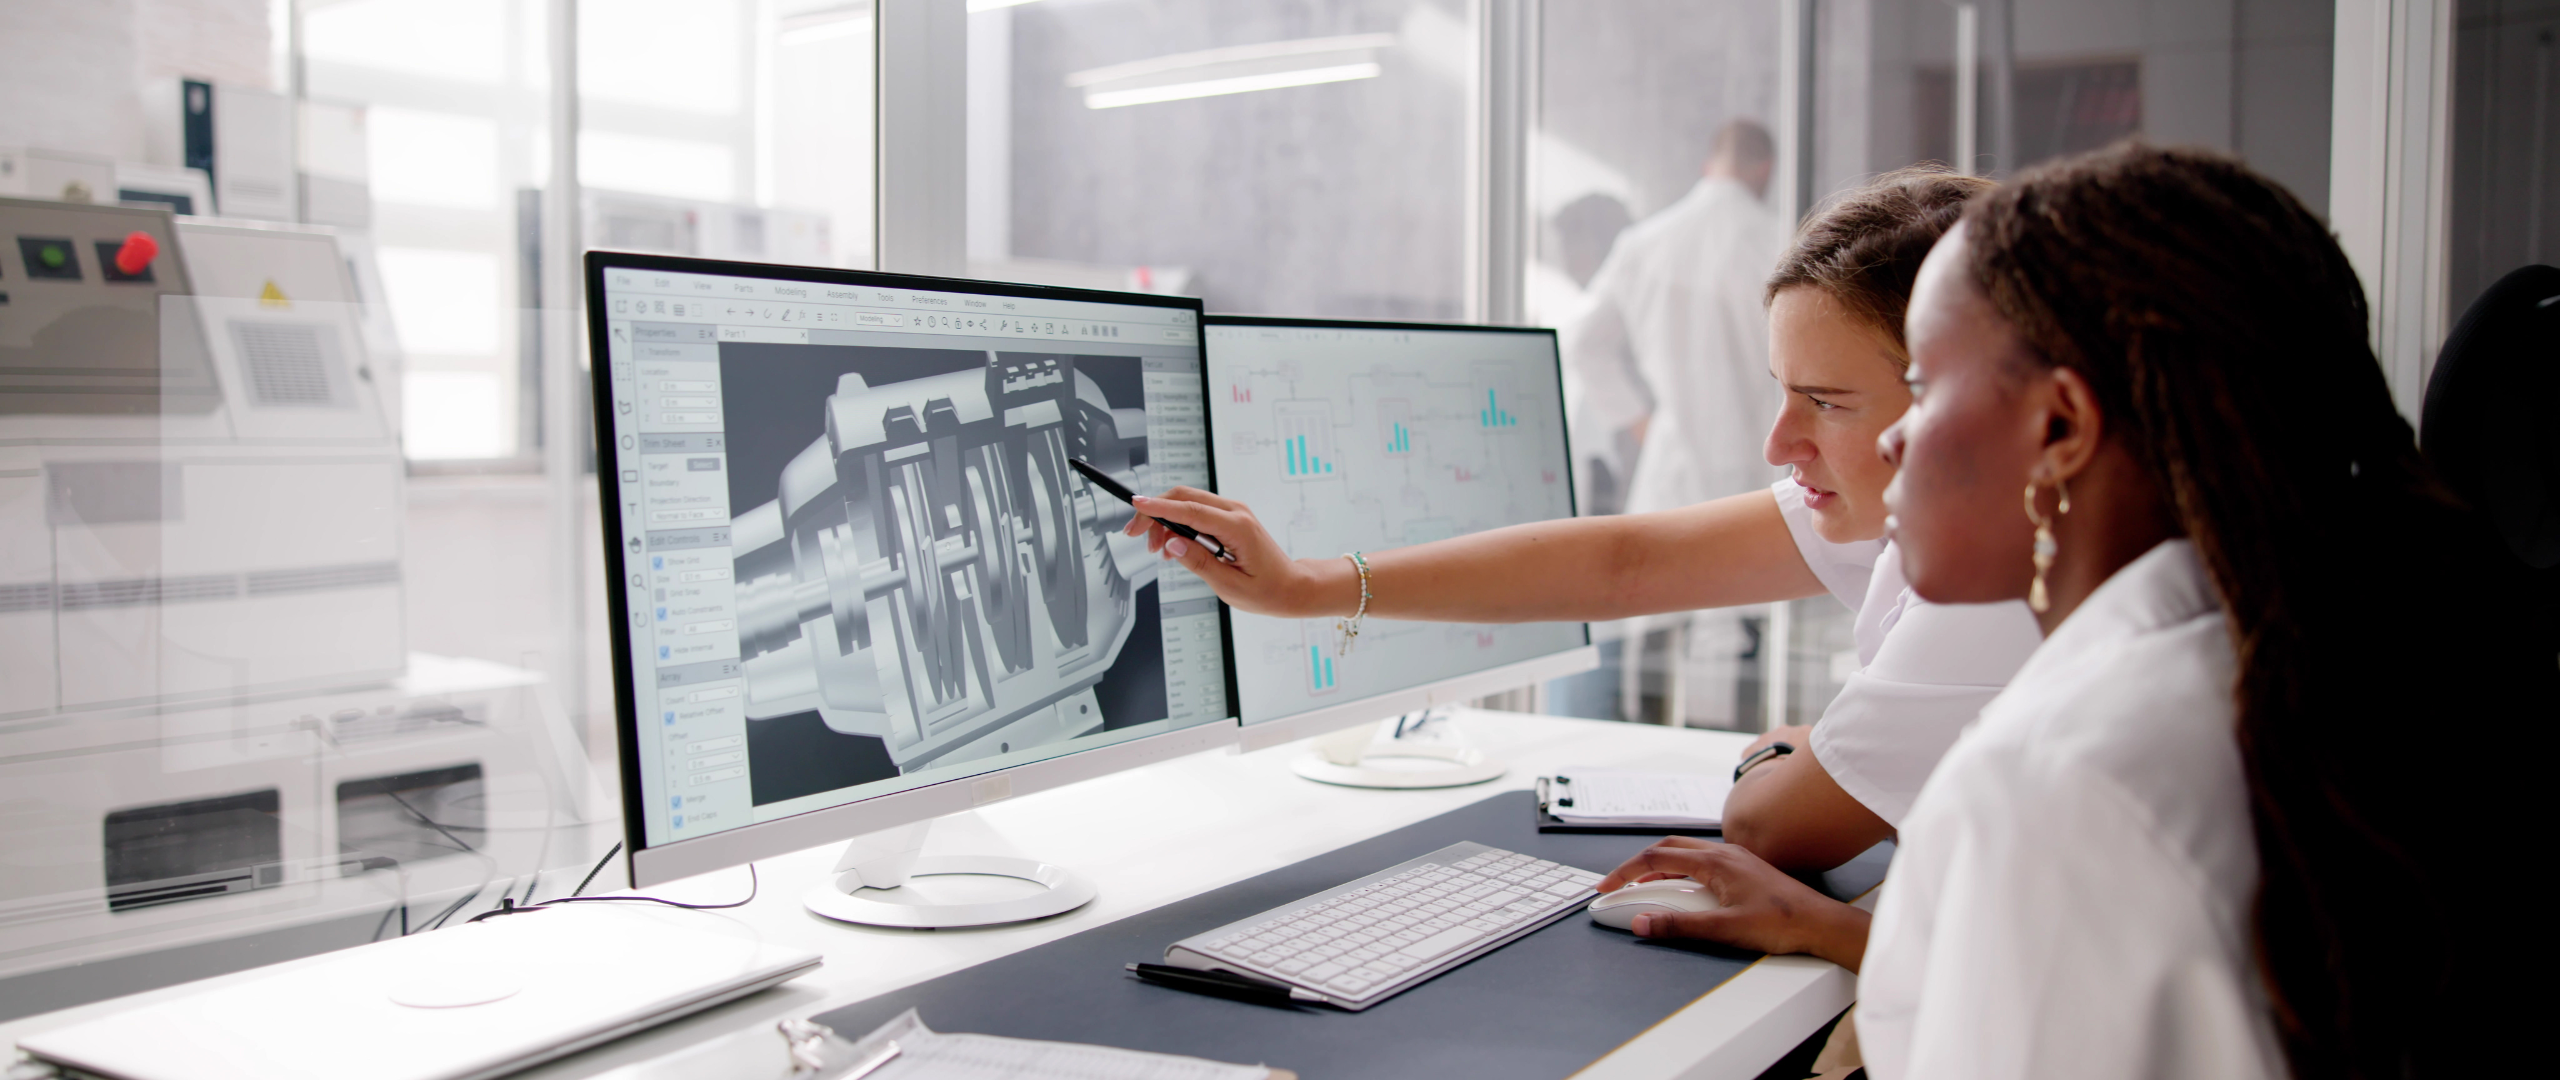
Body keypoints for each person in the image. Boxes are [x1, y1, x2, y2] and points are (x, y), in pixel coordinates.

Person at [1129, 166, 2040, 881]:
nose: (1778, 443)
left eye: (1826, 403)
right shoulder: (1941, 518)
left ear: (1964, 398)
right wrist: (1307, 587)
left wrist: (1801, 750)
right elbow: (1629, 562)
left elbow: (1773, 825)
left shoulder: (1993, 588)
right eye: (1782, 393)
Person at [1848, 144, 2541, 1077]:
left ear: (2060, 427)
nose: (1892, 437)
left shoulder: (2059, 787)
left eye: (1923, 387)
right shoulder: (2367, 664)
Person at [1562, 118, 1789, 725]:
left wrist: (1639, 420)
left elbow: (1586, 344)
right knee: (1742, 637)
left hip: (1672, 459)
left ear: (1708, 164)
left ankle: (1647, 760)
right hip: (1755, 459)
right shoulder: (1779, 241)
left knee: (1654, 632)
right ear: (1765, 170)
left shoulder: (1646, 242)